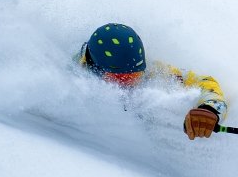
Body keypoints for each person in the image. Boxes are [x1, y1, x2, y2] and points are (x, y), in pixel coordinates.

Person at [76, 23, 227, 140]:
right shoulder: (73, 81)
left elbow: (205, 82)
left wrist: (209, 109)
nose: (129, 83)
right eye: (120, 77)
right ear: (95, 69)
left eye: (135, 75)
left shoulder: (153, 73)